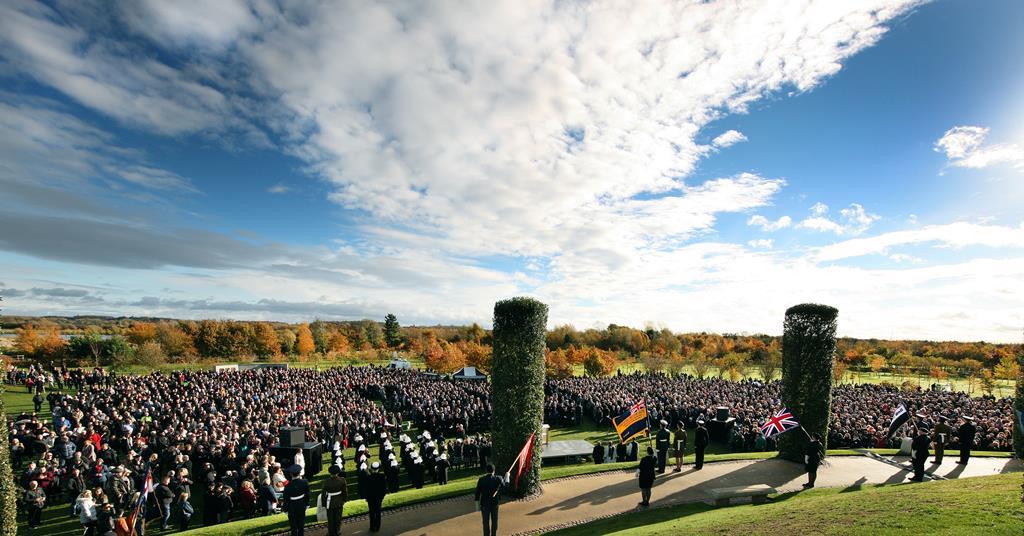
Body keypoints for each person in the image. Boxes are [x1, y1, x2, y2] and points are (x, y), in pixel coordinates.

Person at [474, 463, 509, 536]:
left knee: (485, 522)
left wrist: (477, 507)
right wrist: (507, 477)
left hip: (484, 504)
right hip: (494, 503)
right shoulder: (498, 478)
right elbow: (505, 486)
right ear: (494, 470)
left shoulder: (481, 480)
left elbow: (477, 494)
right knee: (494, 522)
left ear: (486, 470)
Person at [321, 464, 348, 536]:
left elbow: (323, 493)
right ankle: (337, 531)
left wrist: (323, 503)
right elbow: (344, 491)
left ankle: (331, 532)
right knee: (338, 518)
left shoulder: (327, 481)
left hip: (329, 502)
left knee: (330, 519)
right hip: (339, 501)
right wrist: (344, 500)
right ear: (338, 472)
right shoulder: (342, 480)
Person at [283, 465, 310, 536]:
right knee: (301, 525)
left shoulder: (287, 486)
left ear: (291, 474)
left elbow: (286, 499)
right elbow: (307, 494)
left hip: (292, 506)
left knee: (293, 526)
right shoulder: (305, 482)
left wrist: (285, 509)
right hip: (301, 505)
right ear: (300, 473)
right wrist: (307, 504)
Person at [365, 461, 388, 533]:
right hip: (378, 498)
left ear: (371, 468)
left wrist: (367, 497)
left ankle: (372, 526)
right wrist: (382, 497)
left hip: (370, 498)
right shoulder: (382, 477)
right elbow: (384, 489)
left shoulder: (368, 477)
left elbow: (366, 489)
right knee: (378, 512)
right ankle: (377, 527)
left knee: (371, 512)